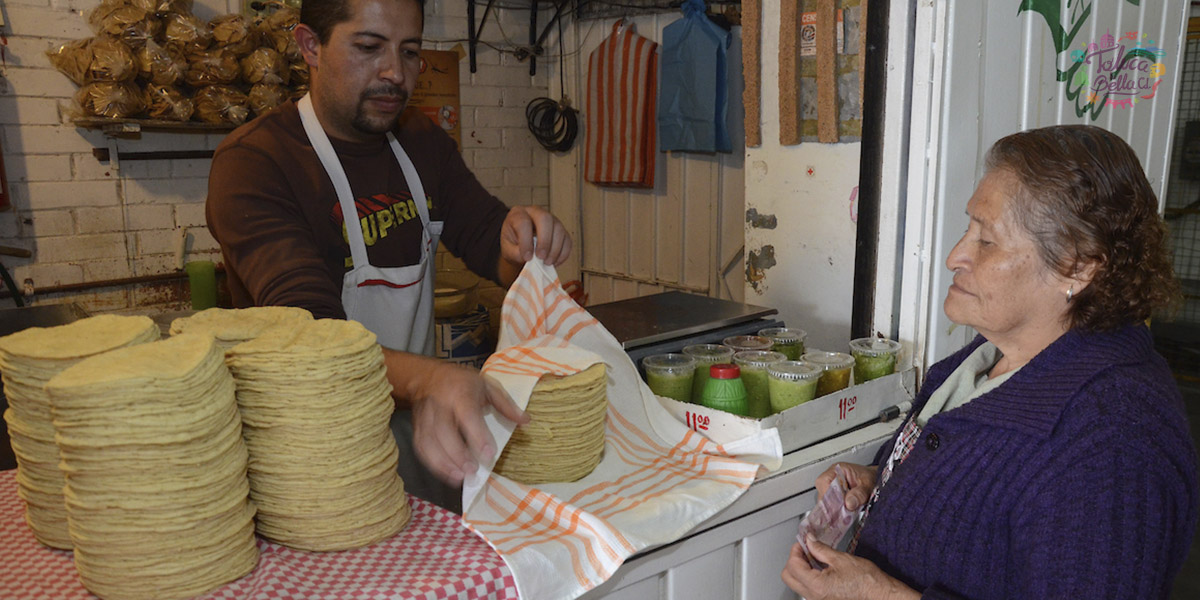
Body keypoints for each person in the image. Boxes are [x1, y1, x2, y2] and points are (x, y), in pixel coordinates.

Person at [783, 125, 1199, 599]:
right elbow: (991, 501)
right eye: (968, 229)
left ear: (1080, 266)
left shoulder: (1115, 440)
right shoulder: (988, 358)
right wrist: (890, 480)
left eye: (987, 241)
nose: (955, 256)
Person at [205, 0, 571, 510]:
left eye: (411, 51)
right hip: (311, 453)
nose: (395, 73)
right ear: (310, 46)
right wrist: (428, 378)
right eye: (369, 47)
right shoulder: (255, 163)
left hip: (420, 429)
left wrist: (525, 242)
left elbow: (490, 242)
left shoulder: (420, 143)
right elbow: (310, 332)